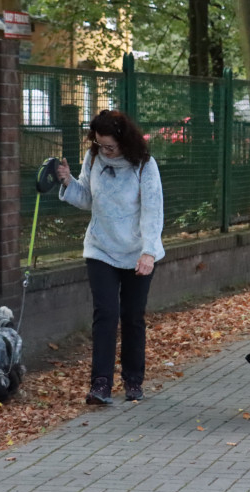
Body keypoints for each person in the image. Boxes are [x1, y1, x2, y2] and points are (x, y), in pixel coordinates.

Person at [57, 110, 164, 404]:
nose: (105, 150)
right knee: (106, 315)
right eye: (100, 144)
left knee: (132, 317)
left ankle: (133, 380)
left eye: (110, 146)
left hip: (137, 251)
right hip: (100, 247)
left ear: (124, 140)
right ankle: (100, 384)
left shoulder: (144, 165)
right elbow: (87, 199)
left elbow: (153, 211)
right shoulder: (93, 159)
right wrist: (68, 182)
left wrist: (148, 252)